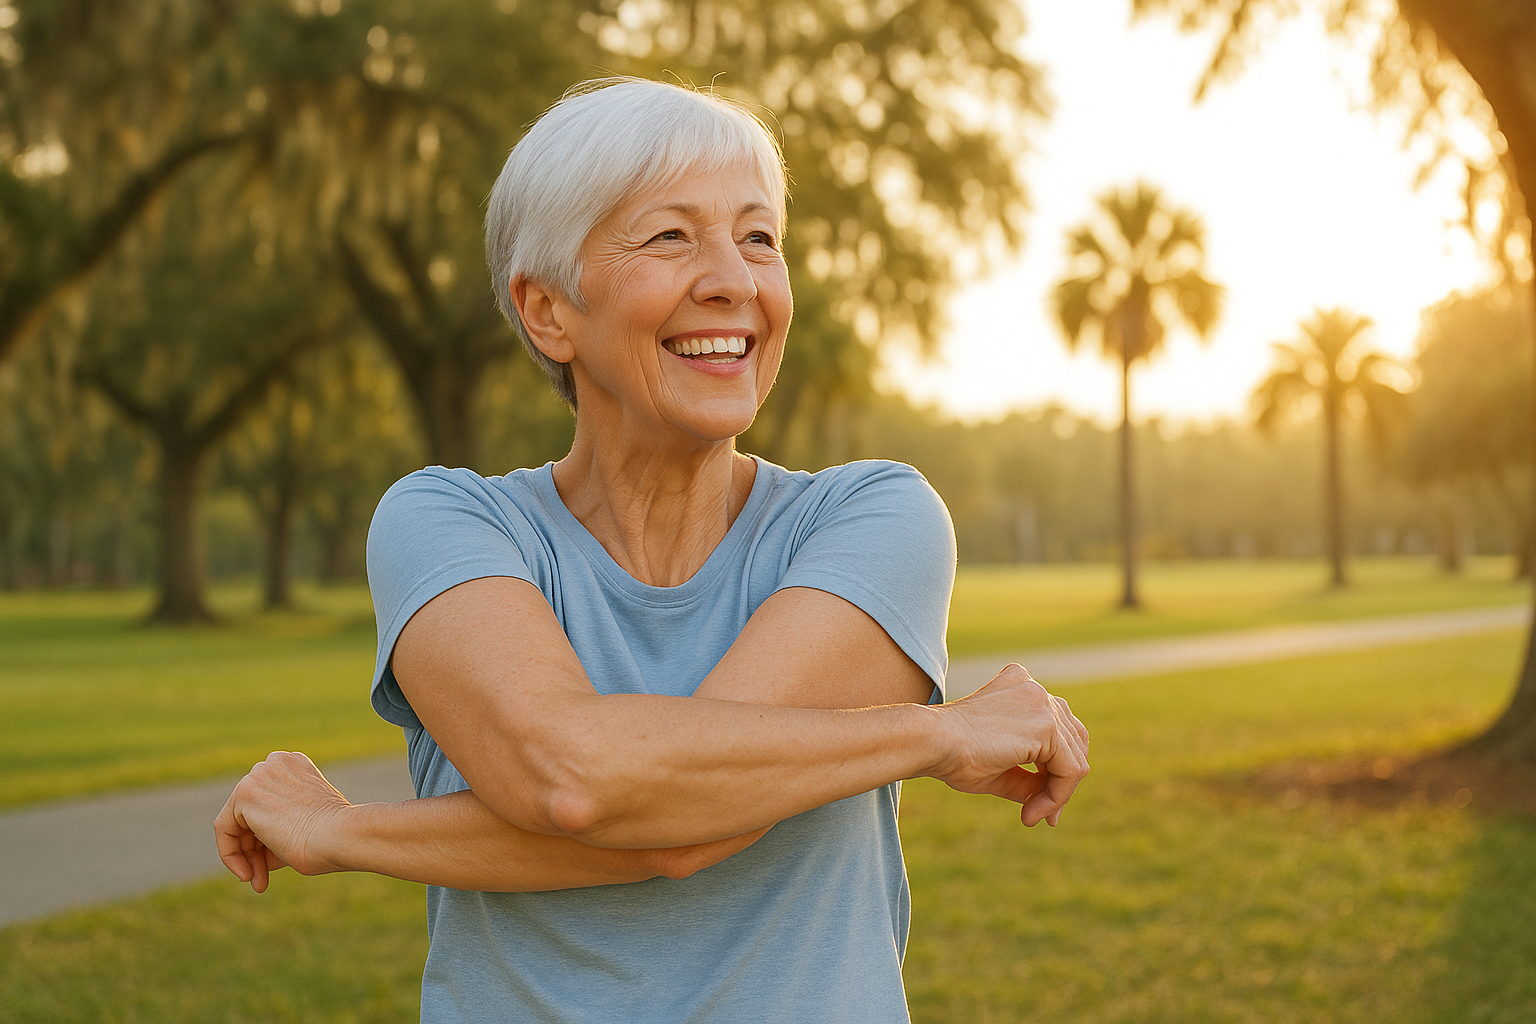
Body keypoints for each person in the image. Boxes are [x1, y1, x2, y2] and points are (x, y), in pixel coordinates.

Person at [214, 77, 1089, 1024]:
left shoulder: (873, 520)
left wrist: (345, 833)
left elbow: (667, 819)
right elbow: (581, 781)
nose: (733, 279)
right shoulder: (448, 525)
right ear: (548, 311)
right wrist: (935, 734)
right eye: (671, 236)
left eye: (759, 237)